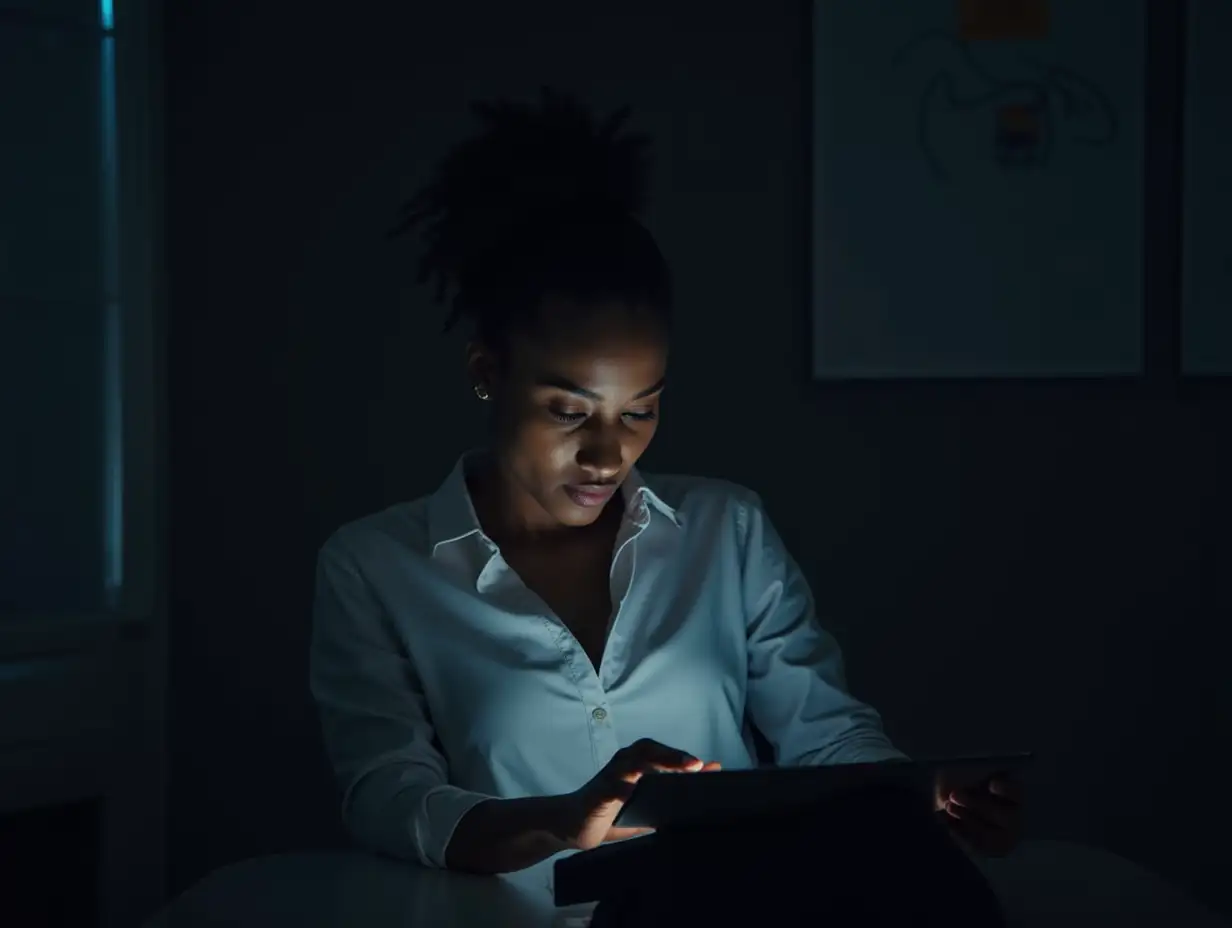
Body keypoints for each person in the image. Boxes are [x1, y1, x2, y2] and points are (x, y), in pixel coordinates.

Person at [309, 89, 1020, 922]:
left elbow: (826, 734)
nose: (609, 454)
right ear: (486, 372)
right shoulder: (374, 567)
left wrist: (922, 796)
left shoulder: (728, 532)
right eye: (569, 411)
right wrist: (561, 820)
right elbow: (386, 792)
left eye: (639, 410)